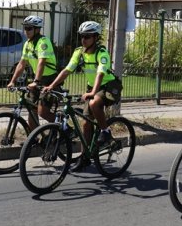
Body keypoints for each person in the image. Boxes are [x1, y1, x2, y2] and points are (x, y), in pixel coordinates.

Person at [42, 21, 122, 151]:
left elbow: (100, 74)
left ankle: (106, 132)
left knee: (94, 103)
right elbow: (67, 70)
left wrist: (93, 93)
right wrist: (51, 85)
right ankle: (85, 156)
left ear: (95, 37)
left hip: (108, 86)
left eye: (87, 36)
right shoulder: (79, 52)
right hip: (93, 87)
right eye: (82, 36)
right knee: (86, 124)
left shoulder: (101, 53)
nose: (83, 40)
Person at [7, 15, 58, 124]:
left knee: (42, 112)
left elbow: (41, 62)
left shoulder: (43, 42)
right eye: (25, 28)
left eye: (29, 28)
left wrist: (36, 81)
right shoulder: (27, 44)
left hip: (49, 79)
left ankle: (64, 128)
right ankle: (33, 139)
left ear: (37, 29)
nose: (26, 31)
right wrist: (13, 81)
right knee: (32, 110)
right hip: (38, 78)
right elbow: (22, 63)